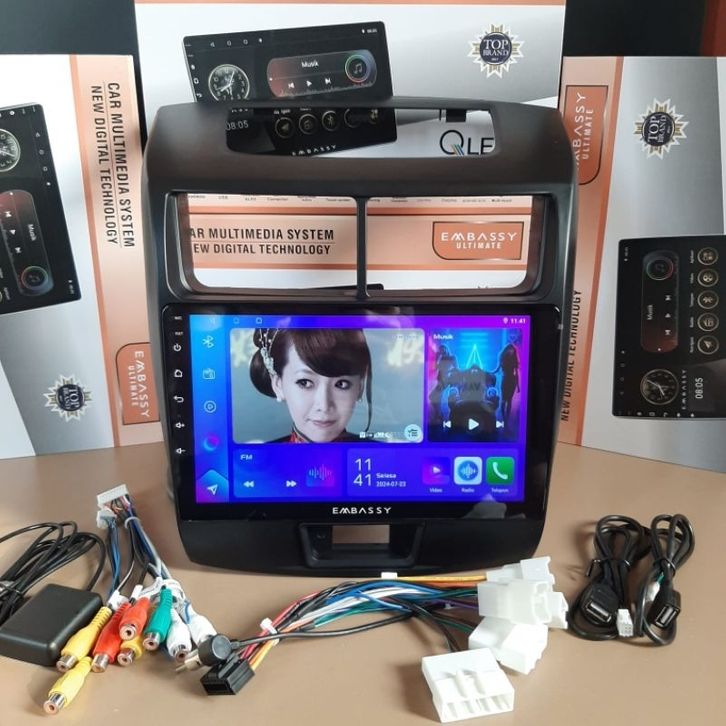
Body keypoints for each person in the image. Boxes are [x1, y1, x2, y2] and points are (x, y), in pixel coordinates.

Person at [249, 327, 373, 442]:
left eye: (341, 384)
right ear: (278, 385)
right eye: (305, 382)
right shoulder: (257, 457)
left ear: (360, 387)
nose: (324, 406)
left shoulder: (382, 455)